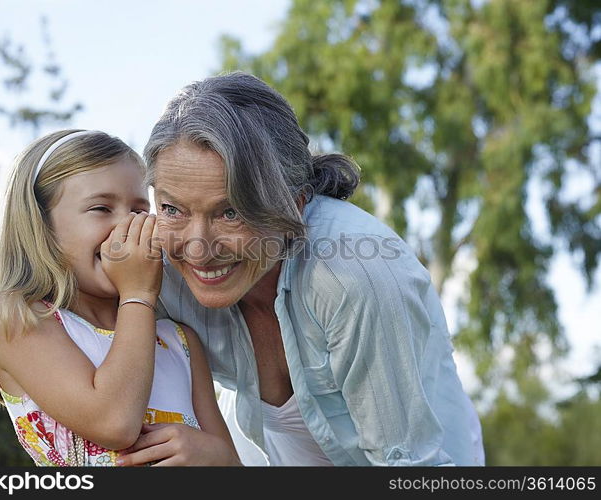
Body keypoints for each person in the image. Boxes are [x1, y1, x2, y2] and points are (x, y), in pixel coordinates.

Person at [120, 72, 485, 466]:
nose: (197, 247)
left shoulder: (355, 278)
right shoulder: (153, 266)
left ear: (294, 202)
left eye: (231, 212)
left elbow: (409, 466)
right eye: (173, 209)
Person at [0, 129, 239, 466]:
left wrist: (219, 457)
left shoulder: (180, 342)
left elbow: (233, 465)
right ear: (42, 228)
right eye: (101, 208)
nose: (126, 226)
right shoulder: (20, 318)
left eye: (140, 210)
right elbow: (114, 423)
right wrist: (138, 294)